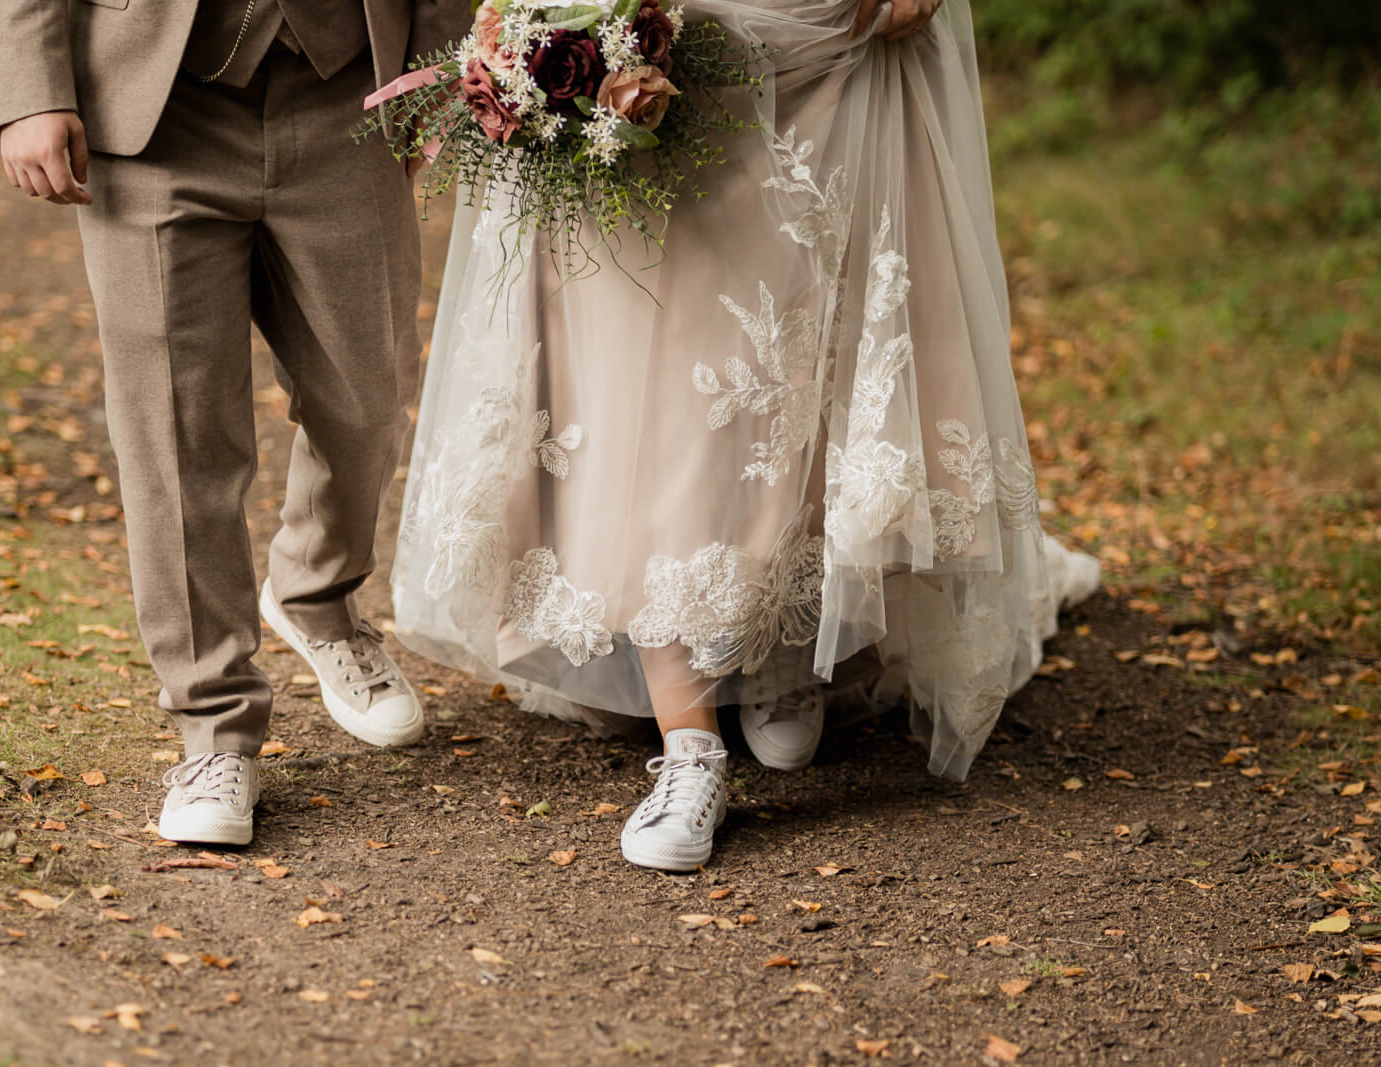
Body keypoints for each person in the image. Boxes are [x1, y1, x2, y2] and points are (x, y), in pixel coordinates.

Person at [391, 0, 1100, 871]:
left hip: (826, 52)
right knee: (648, 386)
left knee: (805, 354)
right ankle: (691, 750)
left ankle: (779, 647)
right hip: (667, 45)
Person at [0, 0, 469, 846]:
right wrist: (29, 87)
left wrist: (434, 65)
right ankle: (214, 728)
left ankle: (316, 591)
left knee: (369, 390)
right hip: (154, 107)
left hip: (346, 95)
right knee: (175, 433)